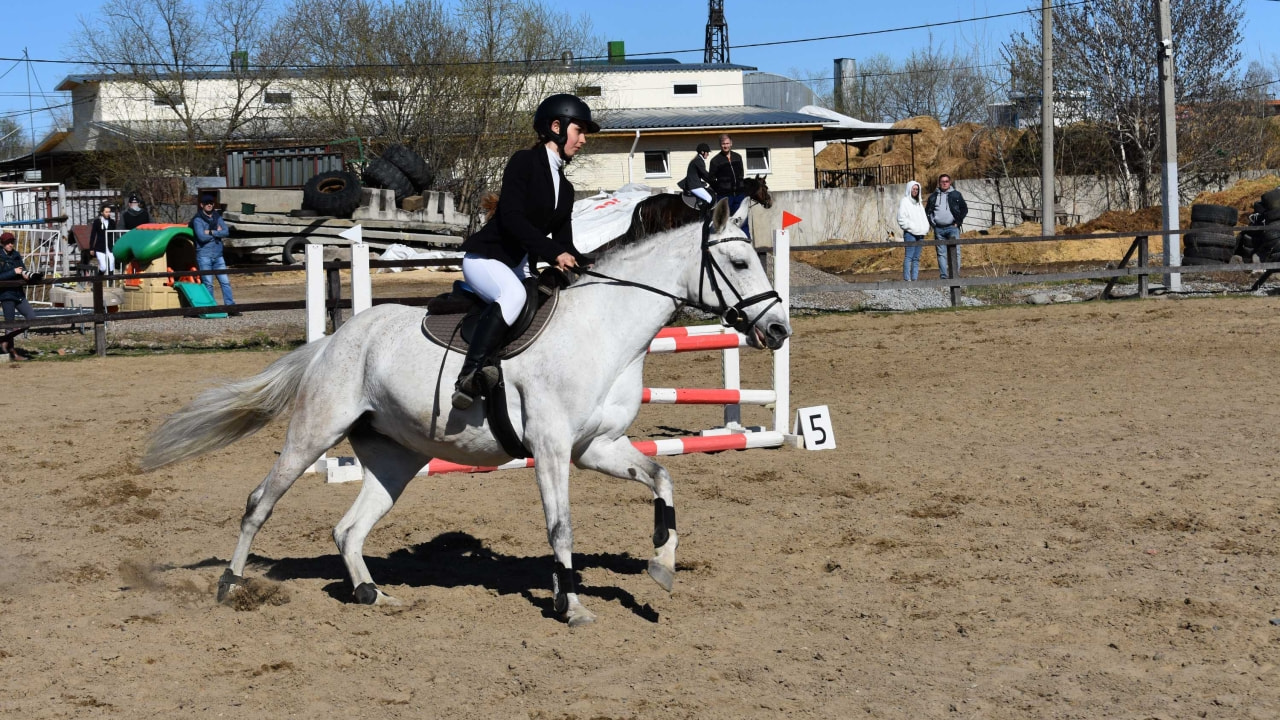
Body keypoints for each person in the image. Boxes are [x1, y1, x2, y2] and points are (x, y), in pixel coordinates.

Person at [451, 93, 597, 410]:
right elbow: (512, 219)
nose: (583, 140)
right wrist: (552, 253)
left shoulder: (567, 188)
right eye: (579, 131)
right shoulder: (524, 162)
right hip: (487, 259)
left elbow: (564, 243)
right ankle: (469, 374)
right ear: (556, 127)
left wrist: (591, 263)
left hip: (520, 266)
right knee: (514, 297)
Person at [191, 194, 240, 316]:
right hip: (204, 255)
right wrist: (217, 233)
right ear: (201, 205)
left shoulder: (217, 217)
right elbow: (201, 237)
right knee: (208, 283)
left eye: (211, 203)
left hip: (218, 256)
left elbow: (226, 232)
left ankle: (230, 307)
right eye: (206, 203)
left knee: (225, 282)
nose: (209, 205)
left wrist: (211, 232)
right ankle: (211, 308)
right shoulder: (197, 219)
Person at [0, 232, 36, 360]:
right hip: (6, 294)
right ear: (2, 243)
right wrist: (13, 272)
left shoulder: (16, 255)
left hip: (18, 293)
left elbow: (23, 268)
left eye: (11, 242)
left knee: (31, 318)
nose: (10, 244)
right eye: (7, 242)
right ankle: (14, 354)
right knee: (9, 324)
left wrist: (26, 274)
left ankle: (4, 340)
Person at [925, 174, 968, 280]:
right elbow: (928, 211)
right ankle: (944, 276)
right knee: (941, 253)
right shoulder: (933, 196)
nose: (944, 183)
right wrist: (933, 224)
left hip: (952, 228)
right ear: (939, 183)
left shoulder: (956, 195)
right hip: (939, 229)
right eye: (942, 181)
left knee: (956, 252)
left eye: (947, 181)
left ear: (950, 182)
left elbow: (964, 209)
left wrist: (958, 222)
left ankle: (955, 274)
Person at [897, 180, 929, 282]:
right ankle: (907, 279)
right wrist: (912, 227)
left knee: (916, 258)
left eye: (917, 189)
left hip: (920, 234)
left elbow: (923, 218)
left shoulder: (919, 203)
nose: (915, 191)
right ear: (909, 189)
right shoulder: (905, 201)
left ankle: (915, 278)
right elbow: (901, 218)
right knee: (909, 257)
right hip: (910, 234)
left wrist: (925, 227)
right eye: (913, 189)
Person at [678, 142, 714, 208]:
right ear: (702, 152)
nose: (708, 154)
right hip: (694, 185)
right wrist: (714, 179)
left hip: (694, 184)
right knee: (709, 198)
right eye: (707, 152)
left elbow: (703, 175)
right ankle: (703, 217)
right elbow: (704, 173)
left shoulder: (698, 159)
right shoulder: (698, 160)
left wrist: (711, 181)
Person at [88, 203, 117, 274]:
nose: (108, 213)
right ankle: (98, 281)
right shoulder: (97, 222)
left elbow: (115, 234)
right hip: (100, 247)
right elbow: (93, 235)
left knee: (111, 265)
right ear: (102, 212)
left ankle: (110, 283)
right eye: (106, 212)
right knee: (103, 267)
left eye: (109, 212)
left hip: (110, 246)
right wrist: (91, 248)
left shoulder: (112, 222)